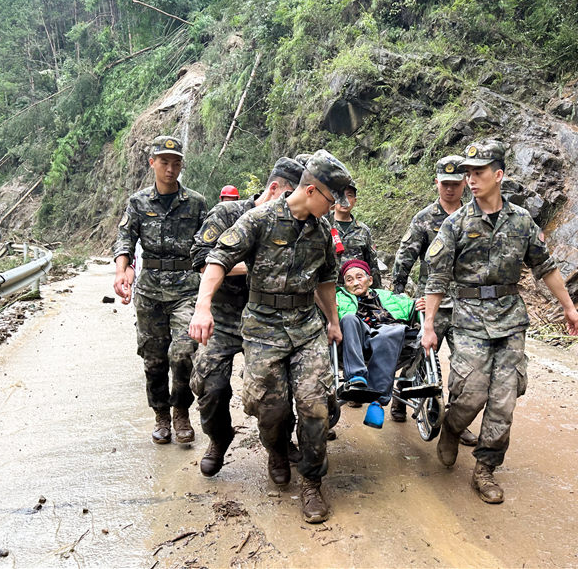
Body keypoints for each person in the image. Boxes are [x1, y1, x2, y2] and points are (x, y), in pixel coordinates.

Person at [189, 149, 352, 524]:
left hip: (305, 326)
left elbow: (326, 278)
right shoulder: (258, 219)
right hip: (263, 327)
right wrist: (202, 307)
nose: (334, 206)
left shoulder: (323, 229)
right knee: (270, 408)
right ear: (312, 191)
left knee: (315, 405)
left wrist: (333, 320)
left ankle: (312, 482)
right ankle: (277, 450)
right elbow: (216, 260)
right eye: (331, 198)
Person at [422, 139, 578, 504]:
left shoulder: (522, 221)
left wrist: (569, 308)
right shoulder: (456, 223)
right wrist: (429, 324)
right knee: (472, 391)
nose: (471, 179)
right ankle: (452, 426)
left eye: (478, 173)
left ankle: (485, 469)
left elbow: (546, 267)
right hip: (469, 318)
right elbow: (437, 278)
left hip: (510, 319)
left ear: (499, 175)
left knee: (504, 399)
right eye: (468, 173)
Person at [189, 157, 303, 477]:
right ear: (273, 189)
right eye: (289, 195)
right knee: (209, 385)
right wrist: (254, 265)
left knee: (277, 388)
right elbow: (202, 259)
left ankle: (278, 447)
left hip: (268, 318)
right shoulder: (227, 214)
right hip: (225, 318)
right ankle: (219, 437)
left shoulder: (293, 222)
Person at [113, 135, 208, 445]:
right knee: (153, 359)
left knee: (182, 353)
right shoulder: (138, 202)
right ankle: (161, 416)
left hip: (185, 290)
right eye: (164, 162)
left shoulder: (196, 203)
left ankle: (181, 410)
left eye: (176, 162)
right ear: (152, 163)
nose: (170, 168)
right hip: (150, 291)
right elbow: (125, 238)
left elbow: (208, 245)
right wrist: (122, 270)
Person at [390, 155, 477, 445]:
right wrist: (399, 292)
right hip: (432, 301)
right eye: (445, 184)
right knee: (418, 354)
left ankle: (455, 419)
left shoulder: (474, 217)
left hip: (465, 303)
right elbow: (406, 254)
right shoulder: (424, 218)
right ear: (436, 182)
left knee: (466, 364)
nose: (450, 189)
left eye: (455, 184)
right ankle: (403, 395)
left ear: (464, 183)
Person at [336, 259, 423, 429]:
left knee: (390, 332)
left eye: (359, 277)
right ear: (344, 284)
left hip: (387, 335)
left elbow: (412, 309)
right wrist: (330, 309)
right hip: (359, 339)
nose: (355, 282)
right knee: (348, 319)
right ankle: (355, 378)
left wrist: (420, 307)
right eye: (349, 279)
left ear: (370, 280)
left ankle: (377, 402)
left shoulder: (387, 296)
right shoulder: (339, 297)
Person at [331, 181, 382, 289]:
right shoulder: (324, 226)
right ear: (333, 198)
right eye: (341, 195)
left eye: (349, 196)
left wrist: (377, 293)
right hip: (330, 290)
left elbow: (372, 264)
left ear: (355, 201)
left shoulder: (363, 230)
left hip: (357, 288)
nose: (345, 200)